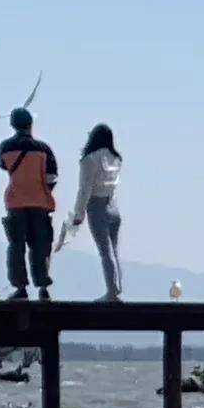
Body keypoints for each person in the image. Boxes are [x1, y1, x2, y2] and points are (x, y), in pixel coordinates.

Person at [0, 107, 59, 300]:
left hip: (15, 202)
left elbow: (2, 166)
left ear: (13, 125)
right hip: (40, 201)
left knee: (16, 246)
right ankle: (42, 286)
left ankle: (20, 287)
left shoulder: (5, 147)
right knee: (41, 246)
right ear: (30, 124)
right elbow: (52, 175)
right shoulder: (43, 148)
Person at [66, 123, 126, 301]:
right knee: (114, 251)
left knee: (105, 252)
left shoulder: (89, 160)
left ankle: (112, 292)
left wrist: (78, 214)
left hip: (97, 206)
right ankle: (117, 289)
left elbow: (85, 190)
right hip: (113, 206)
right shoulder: (116, 159)